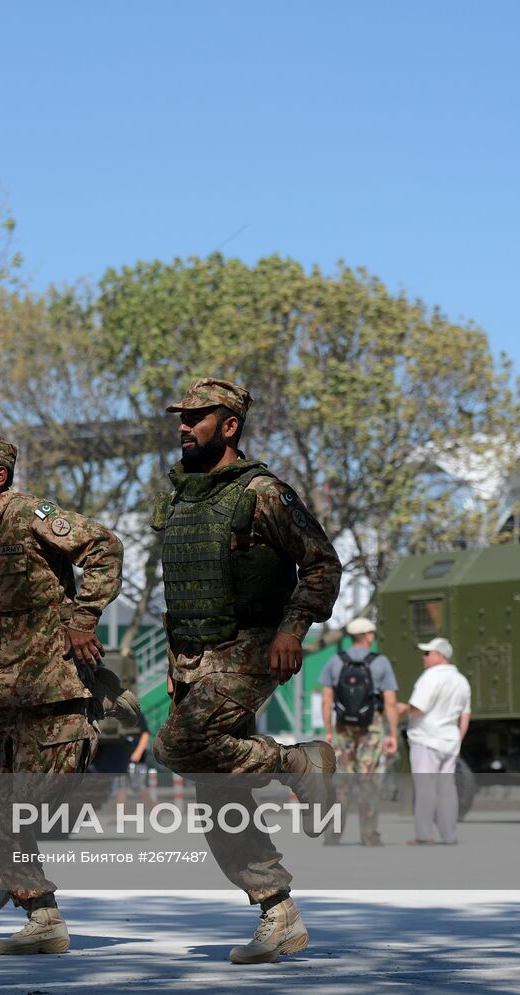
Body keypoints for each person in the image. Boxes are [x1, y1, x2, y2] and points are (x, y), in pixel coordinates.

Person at [148, 377, 343, 965]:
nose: (184, 426)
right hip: (194, 656)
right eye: (181, 417)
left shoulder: (262, 492)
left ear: (229, 425)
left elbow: (322, 565)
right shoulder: (181, 497)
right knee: (218, 793)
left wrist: (293, 629)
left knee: (178, 745)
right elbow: (181, 589)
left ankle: (296, 761)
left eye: (197, 417)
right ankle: (277, 912)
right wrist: (178, 664)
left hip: (251, 647)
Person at [0, 433, 125, 956]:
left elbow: (105, 547)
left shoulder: (29, 514)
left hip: (52, 693)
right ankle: (41, 915)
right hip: (4, 699)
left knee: (20, 810)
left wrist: (84, 618)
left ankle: (26, 895)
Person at [318, 617, 399, 846]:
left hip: (342, 726)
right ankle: (369, 835)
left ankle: (333, 835)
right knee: (369, 781)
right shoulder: (380, 662)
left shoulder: (335, 661)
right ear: (368, 636)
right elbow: (390, 702)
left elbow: (326, 700)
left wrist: (328, 731)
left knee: (340, 782)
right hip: (370, 727)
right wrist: (392, 733)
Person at [397, 636, 472, 845]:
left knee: (425, 788)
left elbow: (418, 708)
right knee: (447, 789)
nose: (424, 657)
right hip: (449, 741)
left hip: (426, 739)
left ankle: (424, 834)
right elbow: (464, 716)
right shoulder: (461, 681)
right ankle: (450, 835)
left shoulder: (430, 677)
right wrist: (458, 739)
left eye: (427, 653)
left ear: (440, 655)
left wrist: (401, 711)